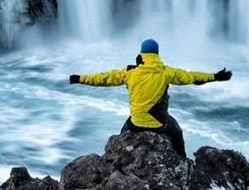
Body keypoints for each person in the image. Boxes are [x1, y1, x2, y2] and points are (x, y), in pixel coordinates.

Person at [69, 38, 232, 158]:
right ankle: (182, 159)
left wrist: (79, 79)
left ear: (141, 54)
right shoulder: (166, 72)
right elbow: (192, 77)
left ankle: (117, 151)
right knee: (176, 130)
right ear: (156, 54)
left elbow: (103, 79)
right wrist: (215, 76)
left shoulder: (129, 73)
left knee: (125, 128)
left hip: (136, 125)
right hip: (160, 124)